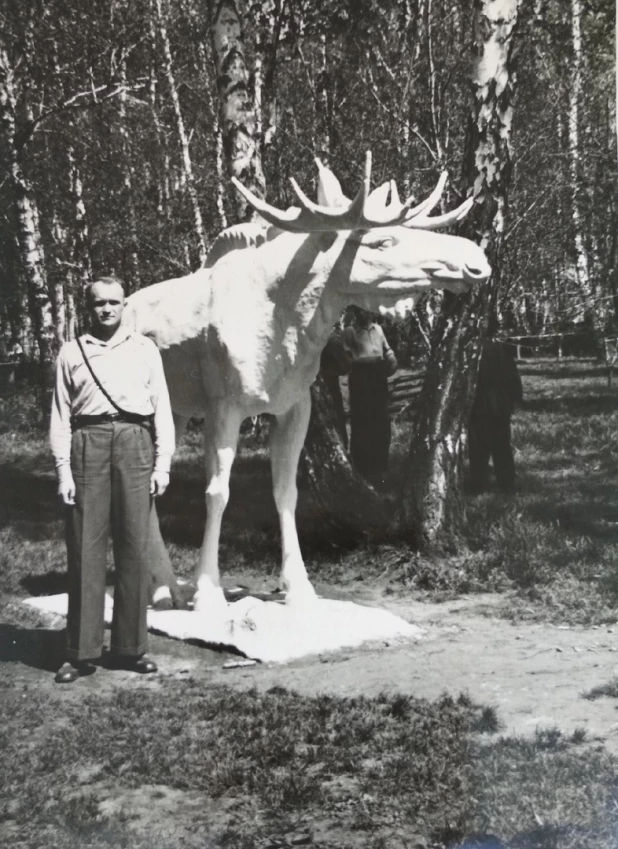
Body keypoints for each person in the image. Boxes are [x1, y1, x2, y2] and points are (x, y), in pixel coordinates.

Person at [50, 275, 175, 684]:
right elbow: (61, 416)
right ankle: (81, 651)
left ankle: (129, 648)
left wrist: (163, 464)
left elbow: (162, 412)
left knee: (134, 545)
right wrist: (62, 470)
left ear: (125, 306)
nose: (106, 309)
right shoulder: (72, 352)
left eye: (114, 302)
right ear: (89, 307)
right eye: (98, 303)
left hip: (135, 443)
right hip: (87, 443)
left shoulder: (145, 349)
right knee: (85, 546)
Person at [343, 307, 398, 488]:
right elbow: (347, 360)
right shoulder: (350, 332)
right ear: (356, 312)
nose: (365, 313)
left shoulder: (379, 329)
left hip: (378, 380)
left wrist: (391, 359)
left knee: (382, 421)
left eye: (367, 310)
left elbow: (387, 350)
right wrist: (367, 365)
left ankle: (381, 464)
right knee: (362, 423)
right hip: (361, 381)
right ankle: (363, 468)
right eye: (361, 310)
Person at [468, 339, 523, 494]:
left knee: (478, 449)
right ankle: (506, 485)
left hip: (479, 408)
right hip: (499, 408)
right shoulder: (503, 352)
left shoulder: (471, 353)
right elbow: (514, 381)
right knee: (502, 447)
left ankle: (478, 487)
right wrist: (514, 400)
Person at [319, 324, 353, 449]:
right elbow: (347, 365)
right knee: (335, 419)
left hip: (312, 387)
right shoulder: (331, 339)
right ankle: (341, 448)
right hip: (328, 386)